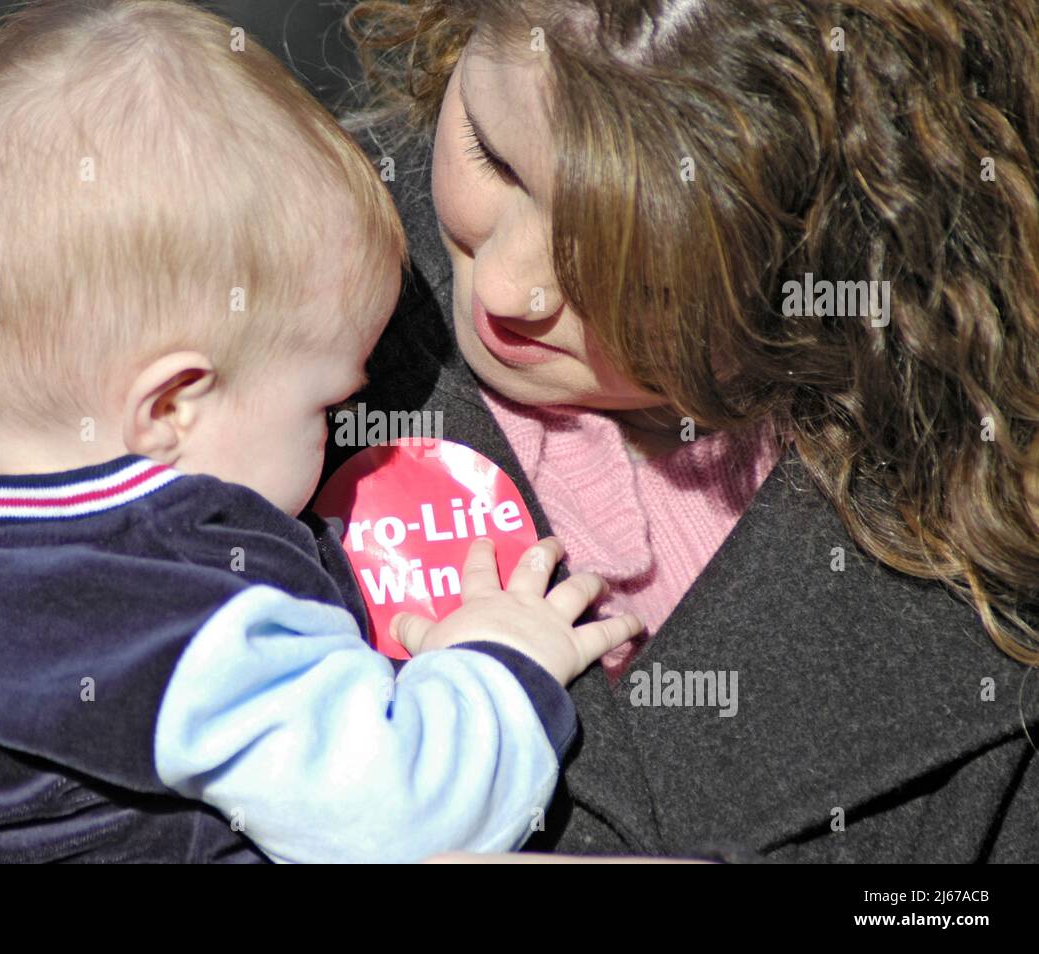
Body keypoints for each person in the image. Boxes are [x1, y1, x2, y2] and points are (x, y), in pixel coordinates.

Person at [0, 0, 642, 863]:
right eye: (323, 406)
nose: (335, 439)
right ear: (172, 404)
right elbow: (388, 814)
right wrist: (496, 663)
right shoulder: (185, 608)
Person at [334, 0, 1039, 861]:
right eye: (493, 155)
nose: (511, 289)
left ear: (841, 260)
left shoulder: (989, 555)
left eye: (633, 267)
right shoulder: (244, 293)